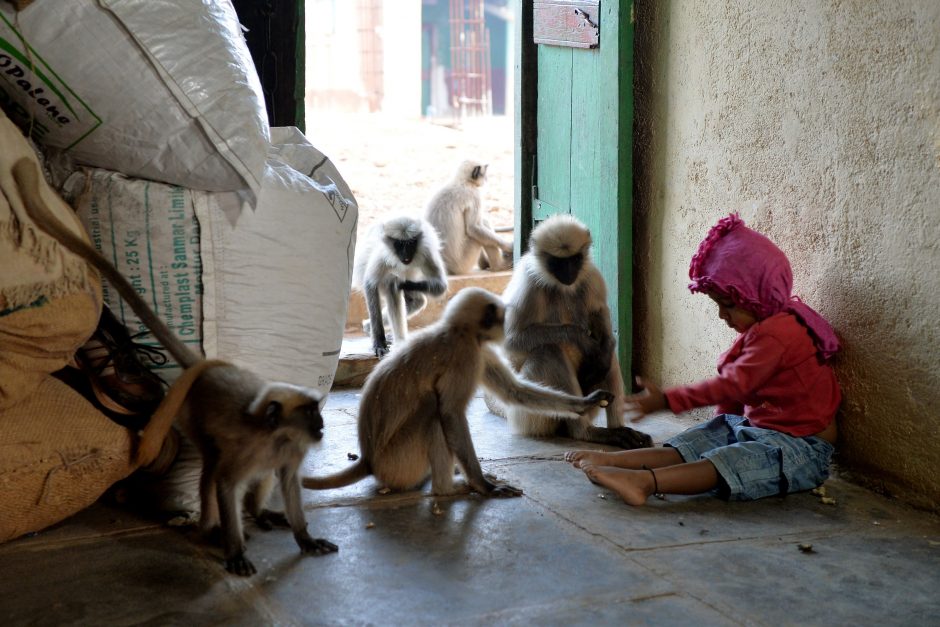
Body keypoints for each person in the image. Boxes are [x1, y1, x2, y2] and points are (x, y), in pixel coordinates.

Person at [565, 214, 841, 505]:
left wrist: (668, 400)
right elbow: (737, 397)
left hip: (801, 449)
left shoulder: (778, 335)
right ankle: (621, 463)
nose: (723, 315)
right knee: (703, 437)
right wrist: (721, 426)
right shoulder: (765, 326)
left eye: (729, 305)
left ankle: (644, 482)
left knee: (730, 460)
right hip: (759, 429)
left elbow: (732, 386)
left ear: (757, 295)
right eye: (718, 305)